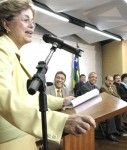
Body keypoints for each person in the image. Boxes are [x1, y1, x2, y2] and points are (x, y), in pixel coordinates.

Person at [0, 1, 96, 150]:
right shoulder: (1, 50)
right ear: (6, 24)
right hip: (10, 141)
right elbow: (3, 98)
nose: (32, 25)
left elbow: (28, 97)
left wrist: (62, 101)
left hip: (23, 134)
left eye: (32, 21)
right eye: (25, 20)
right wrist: (60, 122)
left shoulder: (13, 53)